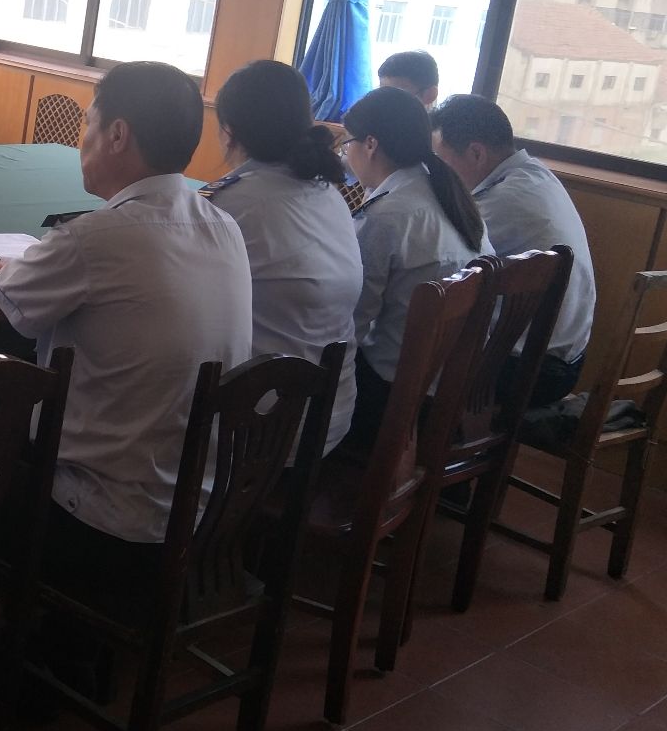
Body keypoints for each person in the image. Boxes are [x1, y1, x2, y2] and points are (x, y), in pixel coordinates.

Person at [0, 61, 251, 617]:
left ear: (117, 134)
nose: (82, 140)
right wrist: (28, 273)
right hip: (194, 511)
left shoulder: (97, 238)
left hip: (99, 523)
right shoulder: (224, 226)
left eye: (87, 123)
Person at [210, 60, 362, 452]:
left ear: (229, 131)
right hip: (330, 417)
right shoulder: (329, 195)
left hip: (259, 427)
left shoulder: (230, 205)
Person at [339, 86, 489, 450]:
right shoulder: (449, 193)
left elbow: (352, 322)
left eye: (346, 145)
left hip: (392, 397)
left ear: (370, 144)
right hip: (448, 388)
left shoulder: (386, 216)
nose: (345, 155)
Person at [430, 94, 596, 406]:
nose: (436, 172)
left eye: (440, 160)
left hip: (531, 370)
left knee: (395, 348)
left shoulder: (504, 200)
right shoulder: (535, 175)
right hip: (558, 359)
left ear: (476, 153)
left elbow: (439, 254)